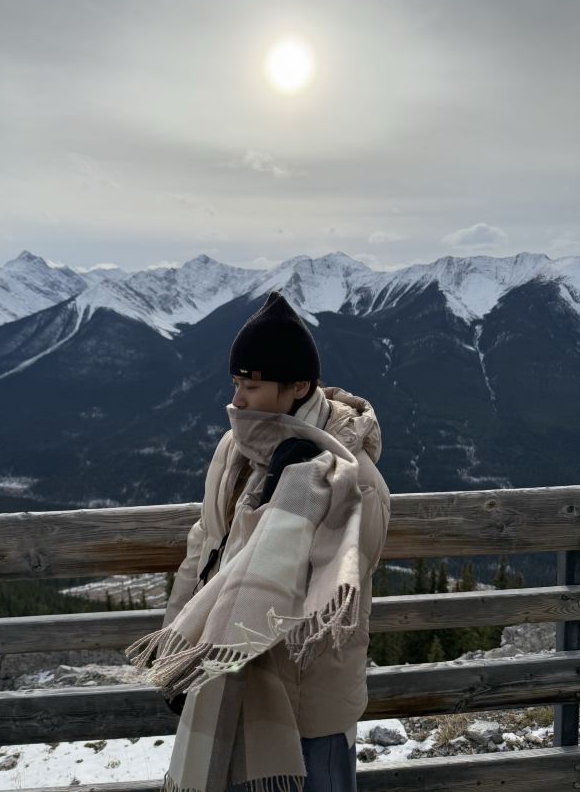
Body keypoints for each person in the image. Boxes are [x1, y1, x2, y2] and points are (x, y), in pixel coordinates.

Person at [125, 290, 390, 792]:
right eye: (236, 383)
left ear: (298, 387)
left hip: (308, 698)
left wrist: (282, 502)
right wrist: (179, 647)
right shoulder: (235, 449)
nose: (238, 400)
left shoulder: (347, 475)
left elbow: (342, 577)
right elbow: (205, 549)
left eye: (252, 386)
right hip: (224, 672)